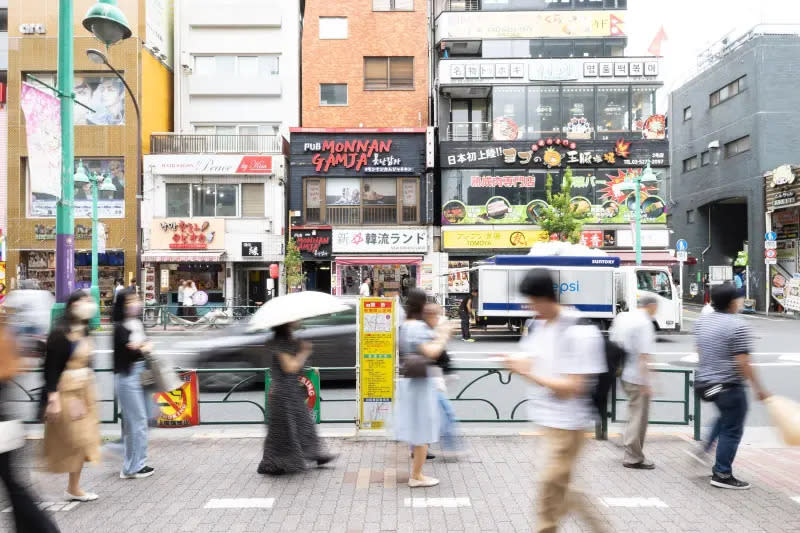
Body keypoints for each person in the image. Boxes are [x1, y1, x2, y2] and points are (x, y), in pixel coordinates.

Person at [503, 269, 608, 533]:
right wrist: (517, 363)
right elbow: (530, 360)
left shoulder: (580, 331)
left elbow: (572, 388)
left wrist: (528, 372)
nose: (530, 307)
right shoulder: (537, 326)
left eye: (533, 301)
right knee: (563, 489)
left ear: (547, 298)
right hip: (545, 423)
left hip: (569, 426)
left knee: (548, 496)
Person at [694, 284, 769, 490]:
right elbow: (743, 362)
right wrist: (758, 388)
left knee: (725, 418)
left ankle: (707, 447)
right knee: (732, 428)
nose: (741, 302)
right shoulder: (738, 325)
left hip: (705, 383)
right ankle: (722, 474)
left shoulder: (701, 322)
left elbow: (700, 351)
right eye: (739, 299)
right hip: (728, 386)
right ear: (731, 302)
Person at [0, 321, 61, 532]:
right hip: (5, 421)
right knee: (12, 484)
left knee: (13, 486)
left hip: (2, 423)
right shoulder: (4, 333)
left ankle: (44, 528)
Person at [42, 290, 102, 502]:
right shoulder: (60, 333)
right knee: (78, 438)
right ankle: (71, 486)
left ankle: (73, 487)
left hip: (84, 389)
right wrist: (53, 398)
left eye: (90, 301)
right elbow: (50, 368)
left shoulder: (85, 330)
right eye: (84, 301)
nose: (89, 305)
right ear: (72, 306)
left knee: (83, 439)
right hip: (68, 391)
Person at [257, 322, 335, 475]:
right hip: (283, 394)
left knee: (304, 423)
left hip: (291, 390)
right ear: (286, 322)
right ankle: (273, 463)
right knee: (283, 431)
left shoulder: (289, 339)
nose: (299, 321)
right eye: (296, 319)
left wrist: (302, 353)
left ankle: (315, 454)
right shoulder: (279, 341)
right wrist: (304, 352)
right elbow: (290, 367)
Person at [395, 289, 450, 488]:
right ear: (421, 304)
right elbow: (432, 352)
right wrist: (443, 335)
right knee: (423, 432)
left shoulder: (403, 325)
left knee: (418, 429)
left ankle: (417, 474)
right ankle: (416, 476)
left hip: (408, 382)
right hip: (420, 385)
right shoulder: (418, 327)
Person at [610, 295, 659, 469]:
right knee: (639, 417)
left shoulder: (624, 317)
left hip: (622, 372)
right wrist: (647, 382)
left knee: (633, 414)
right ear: (651, 306)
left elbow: (614, 341)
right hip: (636, 376)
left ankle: (630, 448)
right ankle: (633, 457)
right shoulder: (645, 323)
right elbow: (643, 356)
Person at [113, 289, 155, 480]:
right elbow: (128, 350)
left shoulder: (137, 323)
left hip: (141, 373)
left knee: (145, 417)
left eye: (136, 299)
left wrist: (142, 346)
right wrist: (141, 346)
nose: (135, 303)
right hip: (128, 376)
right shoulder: (120, 326)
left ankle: (131, 464)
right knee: (137, 422)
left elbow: (142, 346)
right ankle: (134, 466)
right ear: (122, 304)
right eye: (131, 300)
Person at [423, 302, 461, 455]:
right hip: (430, 378)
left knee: (435, 414)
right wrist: (443, 335)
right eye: (436, 315)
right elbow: (433, 353)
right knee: (446, 413)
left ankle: (421, 446)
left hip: (434, 377)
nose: (438, 318)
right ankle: (450, 448)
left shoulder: (427, 329)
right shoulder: (422, 331)